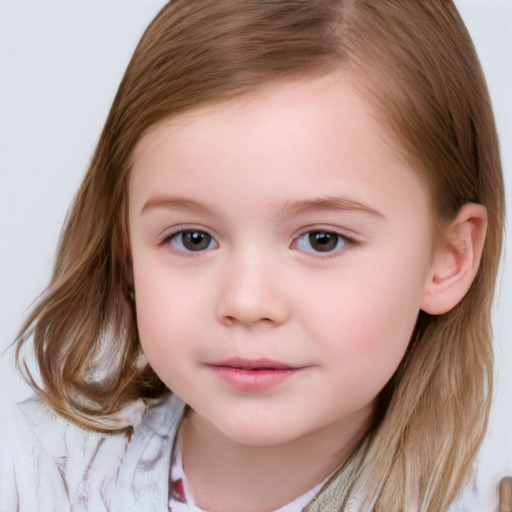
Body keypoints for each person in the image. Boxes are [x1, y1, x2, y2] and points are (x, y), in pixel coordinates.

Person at [0, 0, 505, 510]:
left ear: (448, 258)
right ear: (125, 249)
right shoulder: (34, 473)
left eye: (321, 239)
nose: (245, 301)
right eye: (193, 238)